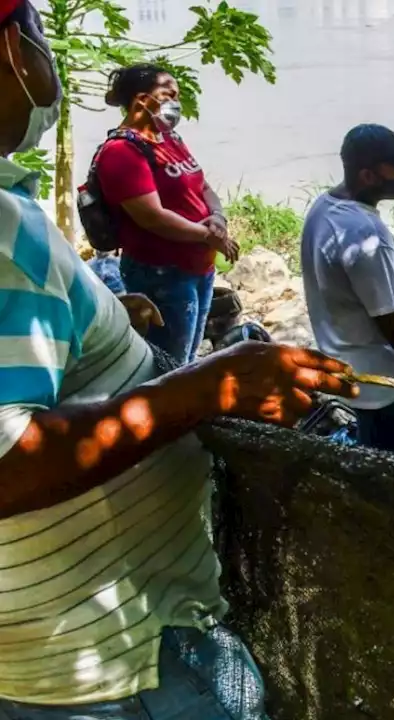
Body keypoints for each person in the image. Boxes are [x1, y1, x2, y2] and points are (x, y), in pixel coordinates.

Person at [0, 2, 358, 716]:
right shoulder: (7, 233)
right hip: (120, 663)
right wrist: (209, 386)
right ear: (7, 50)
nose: (44, 54)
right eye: (34, 28)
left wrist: (98, 322)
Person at [301, 124, 394, 455]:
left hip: (351, 367)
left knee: (365, 456)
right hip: (384, 385)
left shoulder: (325, 206)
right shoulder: (365, 234)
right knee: (388, 466)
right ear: (368, 175)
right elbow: (390, 319)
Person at [95, 62, 240, 363]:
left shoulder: (170, 140)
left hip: (199, 268)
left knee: (187, 357)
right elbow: (152, 216)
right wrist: (208, 236)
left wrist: (217, 217)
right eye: (167, 94)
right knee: (168, 363)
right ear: (141, 101)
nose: (175, 102)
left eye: (177, 95)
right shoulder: (121, 152)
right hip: (162, 275)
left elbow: (203, 186)